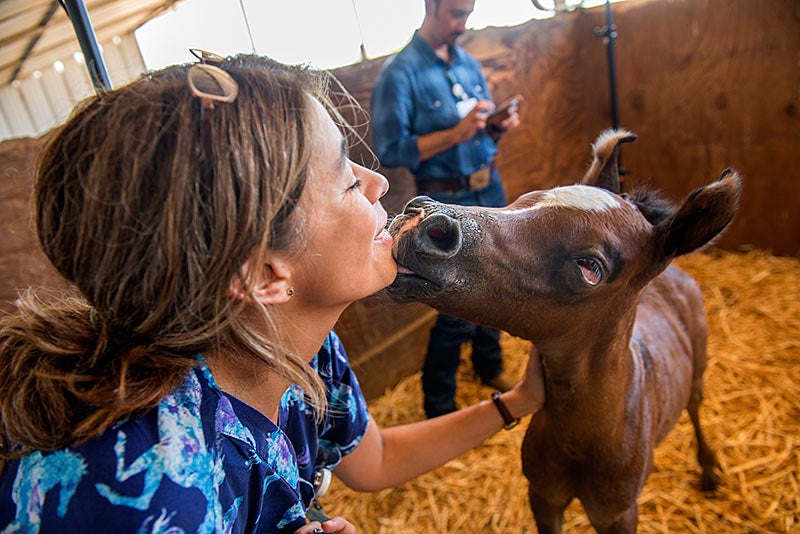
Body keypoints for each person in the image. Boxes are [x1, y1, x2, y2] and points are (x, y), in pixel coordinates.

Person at [0, 54, 544, 533]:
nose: (377, 183)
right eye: (349, 182)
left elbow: (373, 461)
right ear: (264, 276)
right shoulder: (143, 492)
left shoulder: (288, 344)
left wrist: (518, 402)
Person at [370, 0, 523, 418]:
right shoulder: (400, 73)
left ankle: (489, 366)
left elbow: (479, 131)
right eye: (456, 13)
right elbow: (391, 149)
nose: (462, 24)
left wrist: (494, 128)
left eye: (468, 14)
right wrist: (455, 134)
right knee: (456, 303)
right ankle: (439, 406)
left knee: (500, 281)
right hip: (446, 202)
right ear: (430, 5)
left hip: (487, 186)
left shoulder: (469, 64)